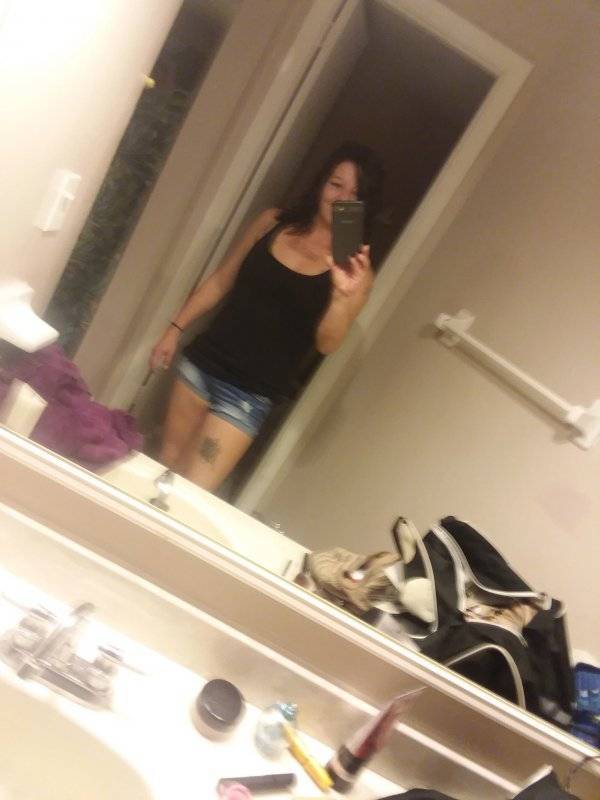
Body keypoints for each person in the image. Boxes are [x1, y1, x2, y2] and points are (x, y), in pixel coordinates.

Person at [149, 142, 384, 492]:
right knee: (165, 468)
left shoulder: (356, 273)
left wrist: (339, 296)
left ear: (364, 206)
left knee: (192, 494)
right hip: (202, 364)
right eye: (336, 184)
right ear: (321, 183)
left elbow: (328, 343)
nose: (341, 198)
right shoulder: (272, 222)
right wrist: (174, 328)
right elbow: (221, 280)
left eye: (356, 194)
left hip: (247, 396)